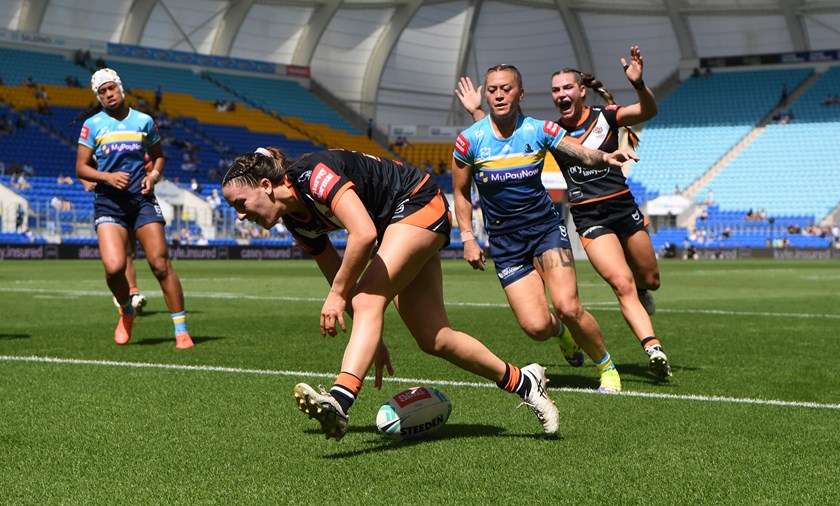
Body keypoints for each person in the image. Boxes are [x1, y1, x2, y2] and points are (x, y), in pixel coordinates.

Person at [221, 146, 560, 441]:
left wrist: (341, 296)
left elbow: (364, 234)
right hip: (397, 223)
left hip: (419, 201)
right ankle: (525, 381)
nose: (240, 214)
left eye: (240, 203)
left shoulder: (313, 175)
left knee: (367, 297)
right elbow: (333, 267)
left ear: (265, 186)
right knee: (434, 338)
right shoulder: (295, 220)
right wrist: (368, 335)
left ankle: (340, 400)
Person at [455, 48, 672, 379]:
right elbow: (463, 188)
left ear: (520, 94)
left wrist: (605, 158)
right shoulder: (469, 140)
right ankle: (563, 337)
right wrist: (468, 237)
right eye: (493, 90)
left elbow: (581, 152)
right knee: (536, 326)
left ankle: (607, 367)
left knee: (574, 304)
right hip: (508, 241)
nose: (499, 95)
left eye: (506, 89)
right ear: (486, 94)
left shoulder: (542, 129)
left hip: (547, 231)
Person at [75, 68, 192, 349]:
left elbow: (159, 156)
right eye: (102, 92)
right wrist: (106, 177)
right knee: (114, 267)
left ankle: (181, 329)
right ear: (98, 97)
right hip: (109, 203)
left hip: (142, 201)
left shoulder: (144, 121)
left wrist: (153, 176)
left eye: (111, 88)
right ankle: (127, 311)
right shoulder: (93, 125)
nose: (108, 94)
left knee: (160, 263)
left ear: (121, 88)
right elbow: (81, 167)